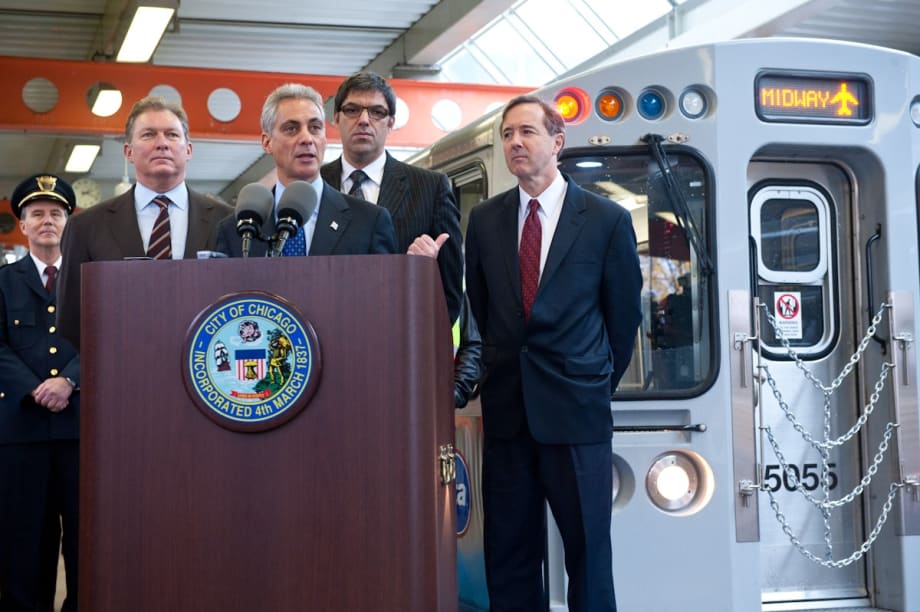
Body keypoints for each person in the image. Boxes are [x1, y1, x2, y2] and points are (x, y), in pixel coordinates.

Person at [464, 94, 642, 611]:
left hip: (577, 413)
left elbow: (623, 317)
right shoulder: (486, 221)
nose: (514, 143)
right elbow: (482, 308)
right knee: (510, 554)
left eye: (527, 132)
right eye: (507, 134)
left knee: (587, 553)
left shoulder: (605, 220)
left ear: (557, 142)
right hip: (507, 414)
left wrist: (592, 382)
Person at [57, 96, 233, 350]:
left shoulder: (227, 221)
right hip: (121, 375)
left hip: (207, 373)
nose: (161, 143)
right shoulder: (86, 227)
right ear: (128, 151)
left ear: (189, 149)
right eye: (149, 134)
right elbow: (71, 319)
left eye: (172, 135)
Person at [321, 72, 463, 322]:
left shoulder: (431, 188)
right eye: (352, 110)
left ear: (391, 122)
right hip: (324, 338)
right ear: (336, 119)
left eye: (376, 112)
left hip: (400, 339)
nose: (364, 120)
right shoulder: (312, 186)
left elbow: (450, 291)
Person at [0, 174, 81, 612]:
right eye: (37, 214)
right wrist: (35, 388)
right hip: (21, 433)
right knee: (24, 544)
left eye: (56, 213)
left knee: (87, 543)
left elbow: (107, 335)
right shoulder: (4, 281)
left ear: (68, 222)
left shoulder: (90, 277)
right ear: (23, 225)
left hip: (80, 433)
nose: (47, 220)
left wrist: (69, 379)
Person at [216, 83, 397, 257]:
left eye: (315, 128)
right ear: (267, 142)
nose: (306, 139)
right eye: (291, 129)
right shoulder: (236, 230)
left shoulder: (369, 222)